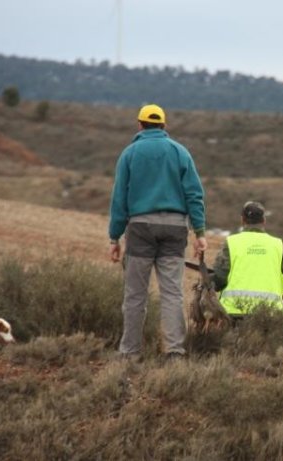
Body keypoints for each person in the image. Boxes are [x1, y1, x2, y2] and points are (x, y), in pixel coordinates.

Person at [108, 104, 207, 359]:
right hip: (175, 229)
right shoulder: (179, 152)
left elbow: (119, 198)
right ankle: (174, 351)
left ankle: (130, 352)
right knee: (172, 293)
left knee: (135, 295)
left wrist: (114, 237)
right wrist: (200, 232)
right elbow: (194, 194)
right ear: (164, 126)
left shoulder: (130, 153)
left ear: (139, 125)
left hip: (140, 228)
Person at [212, 201, 283, 319]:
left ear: (242, 220)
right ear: (264, 221)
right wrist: (273, 287)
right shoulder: (276, 244)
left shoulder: (232, 242)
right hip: (271, 313)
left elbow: (219, 279)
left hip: (235, 312)